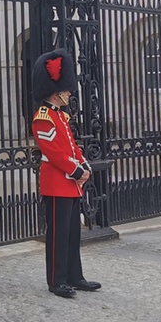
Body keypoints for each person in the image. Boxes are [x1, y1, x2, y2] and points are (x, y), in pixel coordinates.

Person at [30, 48, 101, 298]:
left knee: (72, 232)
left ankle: (75, 276)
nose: (70, 92)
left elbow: (72, 146)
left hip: (70, 184)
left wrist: (84, 165)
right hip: (57, 183)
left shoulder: (61, 116)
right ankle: (56, 280)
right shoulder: (43, 117)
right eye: (67, 89)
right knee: (58, 235)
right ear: (56, 90)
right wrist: (76, 170)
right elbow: (55, 152)